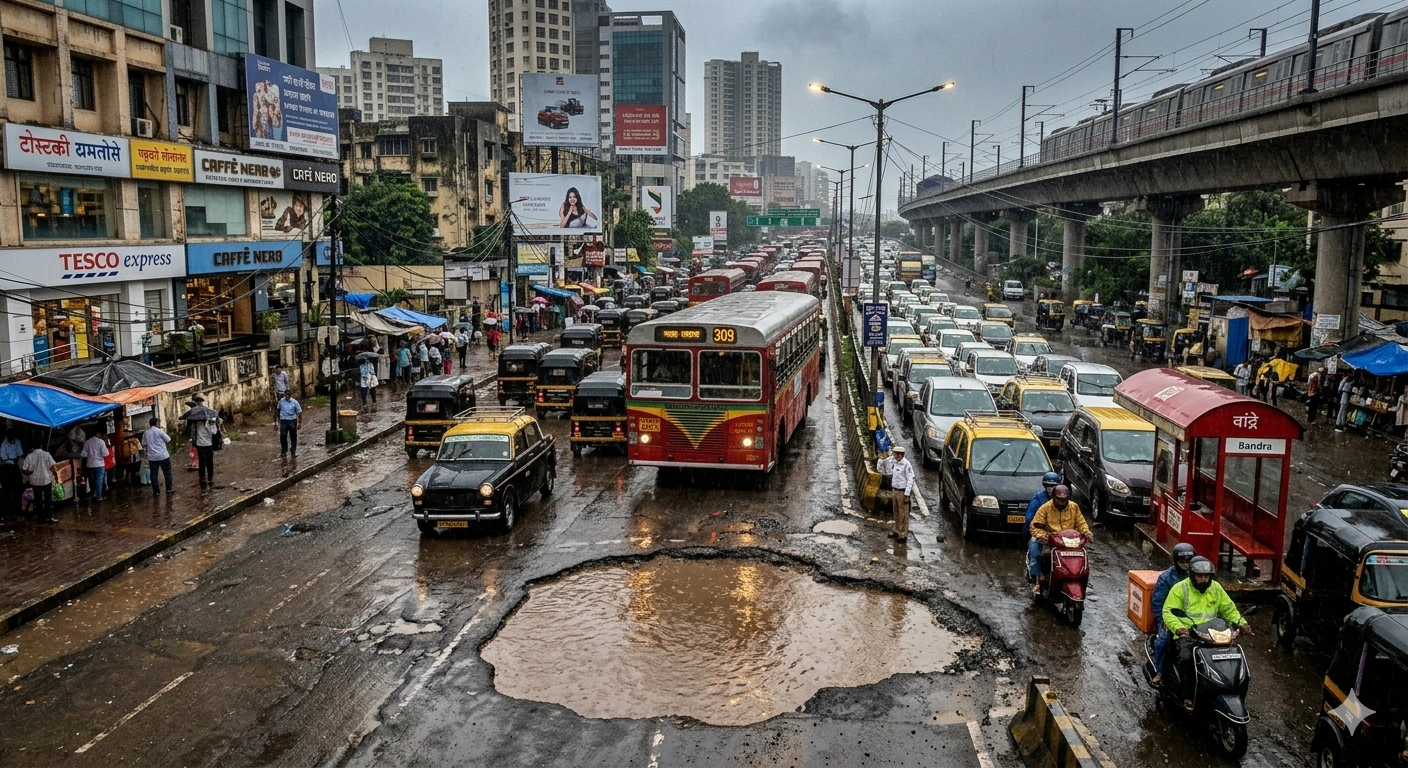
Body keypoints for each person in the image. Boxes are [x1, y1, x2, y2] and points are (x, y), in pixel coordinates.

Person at [1163, 557, 1252, 710]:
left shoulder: (1216, 588)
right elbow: (1168, 612)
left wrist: (1241, 622)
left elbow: (1228, 609)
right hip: (1188, 635)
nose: (1203, 579)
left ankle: (1229, 687)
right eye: (1199, 576)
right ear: (1192, 575)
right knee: (1187, 660)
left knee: (1232, 657)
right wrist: (1178, 628)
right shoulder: (1180, 589)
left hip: (1214, 635)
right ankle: (1188, 695)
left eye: (1206, 576)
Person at [1029, 485, 1093, 595]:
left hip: (1071, 541)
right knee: (1041, 554)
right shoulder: (1045, 508)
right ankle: (1039, 579)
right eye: (1058, 499)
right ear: (1053, 497)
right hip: (1051, 541)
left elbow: (1081, 522)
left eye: (1064, 500)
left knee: (1082, 559)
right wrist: (1041, 535)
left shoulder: (1074, 507)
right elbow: (1034, 526)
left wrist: (1086, 532)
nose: (1061, 502)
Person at [1150, 542, 1197, 686]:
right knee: (1163, 641)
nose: (1185, 564)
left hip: (1194, 620)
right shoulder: (1166, 578)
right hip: (1171, 618)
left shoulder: (1200, 576)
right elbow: (1157, 602)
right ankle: (1160, 672)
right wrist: (1164, 620)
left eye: (1189, 561)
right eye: (1182, 561)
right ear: (1176, 562)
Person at [1025, 472, 1062, 584]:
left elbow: (1078, 520)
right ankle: (1036, 577)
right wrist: (1039, 532)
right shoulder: (1038, 498)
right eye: (1048, 486)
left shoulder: (1068, 503)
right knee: (1035, 546)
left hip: (1060, 535)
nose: (1050, 488)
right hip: (1043, 533)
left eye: (1053, 486)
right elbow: (1030, 518)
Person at [182, 395, 221, 489]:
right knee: (209, 462)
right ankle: (210, 478)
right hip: (208, 444)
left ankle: (202, 478)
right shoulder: (208, 419)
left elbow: (192, 433)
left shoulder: (195, 422)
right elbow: (214, 432)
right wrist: (212, 424)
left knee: (202, 462)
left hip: (199, 444)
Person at [21, 442, 56, 524]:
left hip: (35, 481)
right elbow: (52, 467)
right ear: (41, 446)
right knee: (48, 499)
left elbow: (24, 470)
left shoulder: (29, 456)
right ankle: (49, 517)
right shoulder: (46, 454)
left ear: (33, 447)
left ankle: (41, 518)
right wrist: (55, 476)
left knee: (38, 499)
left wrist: (30, 473)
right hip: (47, 479)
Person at [889, 445, 916, 540]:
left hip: (902, 492)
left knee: (903, 514)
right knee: (896, 512)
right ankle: (896, 531)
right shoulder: (894, 462)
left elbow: (910, 479)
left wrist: (907, 494)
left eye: (896, 454)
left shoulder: (906, 464)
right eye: (894, 453)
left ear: (901, 455)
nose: (895, 455)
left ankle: (903, 534)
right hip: (895, 490)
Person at [142, 417, 173, 496]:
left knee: (153, 474)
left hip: (152, 457)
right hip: (163, 455)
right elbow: (168, 439)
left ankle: (156, 491)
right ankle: (169, 489)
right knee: (167, 473)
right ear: (156, 423)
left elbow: (144, 444)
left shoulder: (146, 433)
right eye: (158, 422)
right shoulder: (160, 431)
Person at [0, 428, 23, 519]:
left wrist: (14, 459)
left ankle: (18, 511)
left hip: (16, 467)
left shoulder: (17, 442)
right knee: (8, 491)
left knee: (17, 490)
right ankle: (10, 512)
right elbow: (4, 459)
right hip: (8, 469)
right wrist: (14, 459)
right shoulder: (3, 444)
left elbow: (20, 454)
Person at [80, 431, 110, 501]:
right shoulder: (101, 442)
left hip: (90, 465)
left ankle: (94, 493)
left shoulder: (87, 442)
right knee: (99, 480)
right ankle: (99, 496)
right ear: (97, 433)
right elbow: (106, 454)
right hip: (99, 464)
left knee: (92, 480)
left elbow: (83, 454)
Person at [277, 391, 303, 458]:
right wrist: (278, 420)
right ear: (284, 395)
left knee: (293, 436)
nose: (287, 396)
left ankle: (293, 451)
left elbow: (299, 412)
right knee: (283, 435)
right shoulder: (281, 401)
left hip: (292, 420)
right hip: (283, 420)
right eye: (286, 395)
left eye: (289, 395)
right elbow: (278, 410)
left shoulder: (295, 402)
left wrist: (299, 423)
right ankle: (284, 450)